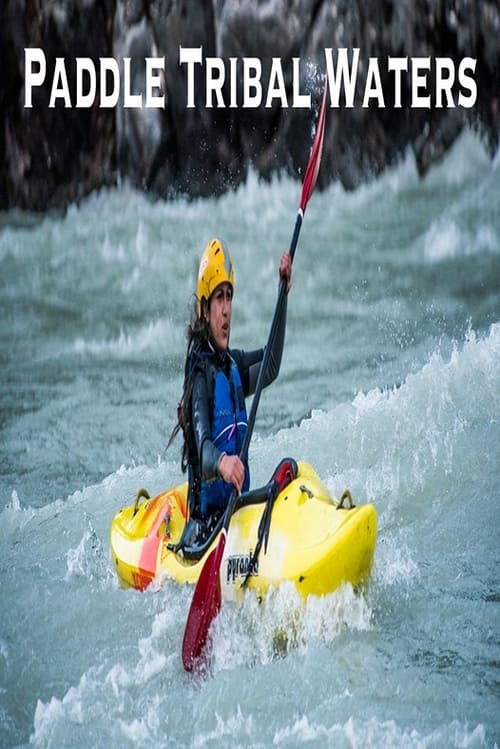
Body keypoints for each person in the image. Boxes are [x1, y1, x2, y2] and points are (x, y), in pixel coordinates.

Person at [170, 237, 292, 550]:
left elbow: (272, 364)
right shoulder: (199, 376)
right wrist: (222, 462)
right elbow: (202, 446)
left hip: (237, 516)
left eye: (229, 297)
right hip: (205, 530)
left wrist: (283, 296)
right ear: (205, 308)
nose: (226, 310)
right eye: (218, 299)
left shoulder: (233, 365)